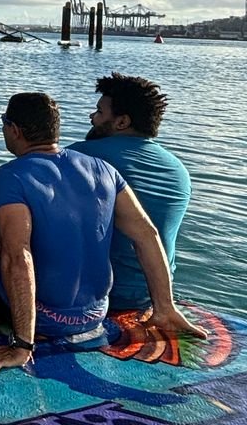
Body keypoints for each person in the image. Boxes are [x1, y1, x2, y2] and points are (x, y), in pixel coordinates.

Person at [0, 93, 206, 374]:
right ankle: (166, 311)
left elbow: (18, 256)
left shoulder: (9, 176)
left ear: (14, 130)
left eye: (3, 123)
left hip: (48, 319)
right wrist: (164, 307)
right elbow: (147, 233)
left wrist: (22, 345)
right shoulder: (105, 170)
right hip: (96, 313)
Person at [68, 73, 191, 311]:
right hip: (148, 295)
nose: (91, 117)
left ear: (122, 122)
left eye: (99, 112)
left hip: (96, 295)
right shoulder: (178, 169)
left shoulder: (81, 157)